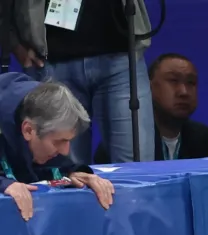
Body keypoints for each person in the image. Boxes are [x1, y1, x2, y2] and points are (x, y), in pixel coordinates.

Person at [6, 0, 155, 163]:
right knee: (65, 173)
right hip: (52, 60)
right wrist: (13, 41)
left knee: (136, 166)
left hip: (121, 58)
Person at [0, 72, 114, 221]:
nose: (66, 151)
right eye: (58, 142)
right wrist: (4, 183)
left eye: (68, 141)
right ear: (28, 130)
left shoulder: (38, 109)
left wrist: (70, 172)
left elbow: (40, 167)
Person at [94, 53, 208, 163]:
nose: (184, 91)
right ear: (148, 86)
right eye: (173, 81)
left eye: (191, 83)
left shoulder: (207, 139)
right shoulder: (125, 142)